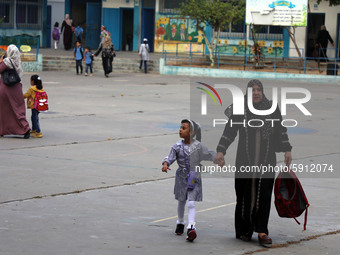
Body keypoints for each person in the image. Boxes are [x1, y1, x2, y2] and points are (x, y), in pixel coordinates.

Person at [215, 79, 292, 248]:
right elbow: (229, 130)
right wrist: (221, 150)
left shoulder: (272, 108)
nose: (256, 92)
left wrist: (287, 149)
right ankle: (245, 229)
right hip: (245, 159)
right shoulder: (240, 108)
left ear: (262, 92)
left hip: (267, 160)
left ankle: (262, 231)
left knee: (264, 194)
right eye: (252, 90)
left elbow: (280, 130)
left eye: (258, 90)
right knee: (244, 194)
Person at [162, 119, 216, 242]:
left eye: (184, 128)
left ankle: (191, 227)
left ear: (191, 132)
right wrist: (165, 164)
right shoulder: (177, 146)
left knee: (191, 202)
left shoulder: (199, 146)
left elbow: (209, 154)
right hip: (181, 177)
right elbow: (169, 157)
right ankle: (180, 222)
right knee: (181, 200)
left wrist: (218, 158)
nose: (180, 130)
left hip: (193, 176)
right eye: (180, 127)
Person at [0, 44, 30, 139]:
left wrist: (0, 61)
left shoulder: (7, 61)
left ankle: (2, 130)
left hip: (6, 88)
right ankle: (25, 128)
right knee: (18, 109)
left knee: (4, 110)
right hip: (17, 88)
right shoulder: (18, 62)